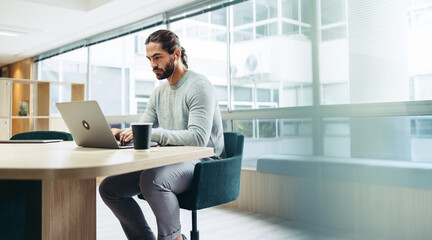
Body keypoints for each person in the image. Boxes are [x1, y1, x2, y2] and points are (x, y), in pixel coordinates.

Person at [99, 29, 225, 240]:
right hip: (173, 159)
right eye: (149, 59)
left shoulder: (199, 86)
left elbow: (197, 140)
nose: (152, 64)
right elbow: (143, 128)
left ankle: (174, 238)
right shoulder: (159, 92)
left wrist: (153, 134)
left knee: (152, 180)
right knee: (109, 188)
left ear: (175, 55)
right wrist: (125, 133)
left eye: (157, 57)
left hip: (203, 161)